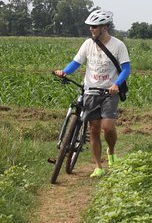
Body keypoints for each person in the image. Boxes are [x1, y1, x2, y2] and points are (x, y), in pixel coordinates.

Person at [54, 9, 130, 178]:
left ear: (104, 27)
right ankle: (98, 166)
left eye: (94, 26)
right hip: (91, 91)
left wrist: (116, 84)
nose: (91, 29)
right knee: (94, 130)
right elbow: (76, 62)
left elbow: (126, 68)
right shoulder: (87, 44)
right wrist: (65, 72)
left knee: (108, 128)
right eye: (90, 26)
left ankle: (111, 151)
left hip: (110, 92)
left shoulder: (118, 45)